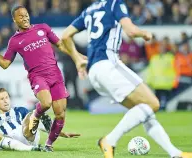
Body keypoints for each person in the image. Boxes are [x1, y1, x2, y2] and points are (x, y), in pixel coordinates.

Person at [61, 0, 192, 158]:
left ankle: (174, 153)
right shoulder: (115, 3)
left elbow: (65, 36)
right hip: (109, 64)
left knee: (146, 110)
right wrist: (145, 34)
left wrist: (77, 60)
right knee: (153, 103)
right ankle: (110, 140)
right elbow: (131, 31)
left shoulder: (90, 10)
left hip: (95, 71)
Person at [0, 6, 86, 152]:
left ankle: (49, 145)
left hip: (55, 74)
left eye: (26, 15)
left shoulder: (43, 28)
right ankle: (36, 114)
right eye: (21, 16)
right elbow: (4, 63)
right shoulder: (14, 41)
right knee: (46, 103)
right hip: (38, 76)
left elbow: (60, 44)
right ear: (14, 20)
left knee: (60, 114)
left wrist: (77, 56)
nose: (25, 18)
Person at [0, 88, 80, 151]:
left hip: (27, 134)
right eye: (2, 99)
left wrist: (61, 133)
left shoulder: (19, 110)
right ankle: (32, 149)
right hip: (11, 141)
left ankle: (38, 117)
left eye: (7, 98)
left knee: (32, 115)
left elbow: (41, 126)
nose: (6, 101)